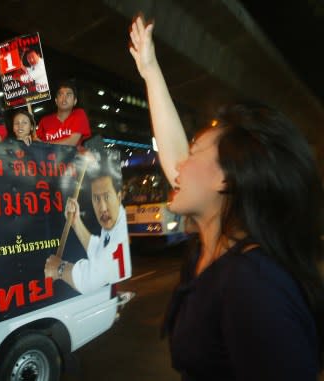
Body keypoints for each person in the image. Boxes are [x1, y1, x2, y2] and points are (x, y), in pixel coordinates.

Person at [129, 14, 324, 380]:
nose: (178, 166)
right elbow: (174, 159)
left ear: (226, 179)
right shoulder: (211, 252)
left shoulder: (256, 289)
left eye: (195, 151)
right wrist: (151, 72)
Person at [44, 159, 131, 294]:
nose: (102, 208)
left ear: (119, 198)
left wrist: (59, 268)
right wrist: (76, 222)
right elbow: (101, 252)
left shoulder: (118, 231)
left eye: (107, 197)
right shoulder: (114, 224)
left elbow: (92, 279)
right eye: (96, 199)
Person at [36, 81, 91, 146]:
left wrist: (44, 144)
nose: (64, 98)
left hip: (72, 156)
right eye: (61, 94)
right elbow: (36, 143)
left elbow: (71, 142)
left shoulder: (79, 114)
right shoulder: (44, 121)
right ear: (56, 101)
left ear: (75, 101)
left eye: (68, 95)